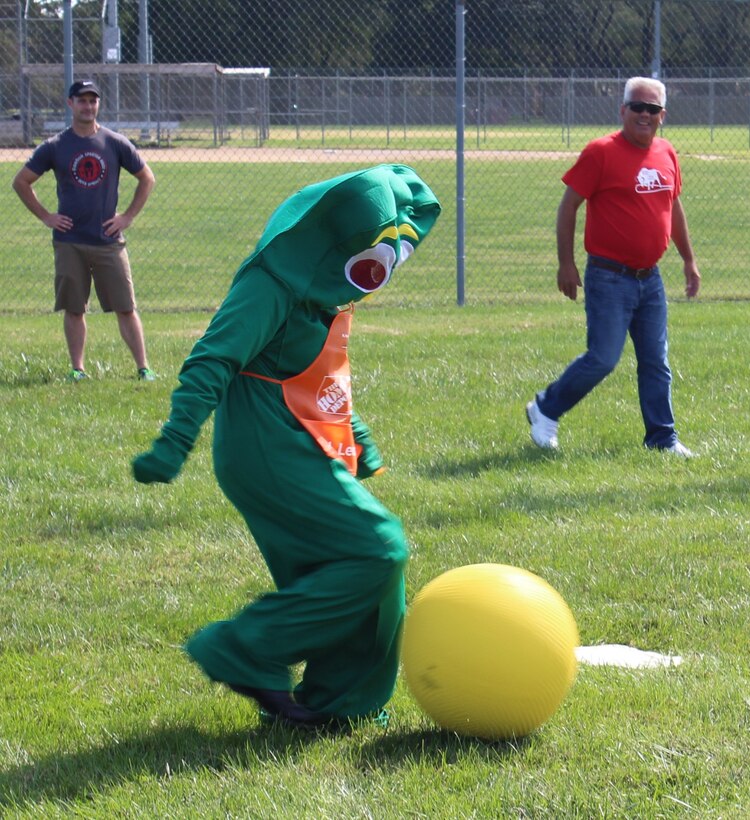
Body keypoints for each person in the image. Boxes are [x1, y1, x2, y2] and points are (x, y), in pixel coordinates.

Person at [132, 165, 441, 730]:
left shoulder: (327, 291)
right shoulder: (272, 282)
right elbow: (212, 359)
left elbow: (321, 372)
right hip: (264, 447)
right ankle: (242, 648)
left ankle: (339, 702)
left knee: (355, 572)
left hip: (304, 440)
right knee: (378, 549)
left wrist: (359, 437)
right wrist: (175, 442)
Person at [526, 76, 701, 455]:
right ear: (622, 110)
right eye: (636, 106)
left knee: (656, 362)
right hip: (609, 277)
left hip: (650, 278)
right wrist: (565, 264)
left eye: (651, 109)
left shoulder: (667, 153)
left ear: (662, 116)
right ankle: (545, 408)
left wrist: (688, 259)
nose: (644, 114)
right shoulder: (601, 152)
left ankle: (662, 438)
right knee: (604, 358)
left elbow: (674, 208)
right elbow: (568, 206)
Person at [12, 79, 157, 382]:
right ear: (70, 104)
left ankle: (143, 368)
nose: (88, 106)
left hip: (108, 241)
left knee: (126, 307)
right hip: (70, 242)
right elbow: (21, 181)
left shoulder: (115, 142)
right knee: (74, 308)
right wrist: (46, 216)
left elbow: (147, 178)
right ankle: (78, 369)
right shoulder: (56, 146)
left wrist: (127, 217)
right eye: (82, 101)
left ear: (98, 105)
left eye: (93, 101)